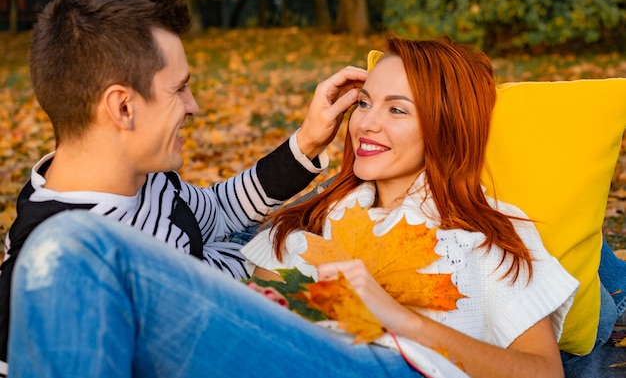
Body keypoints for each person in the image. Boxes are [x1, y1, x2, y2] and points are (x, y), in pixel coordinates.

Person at [8, 36, 580, 378]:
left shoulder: (484, 231)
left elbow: (541, 371)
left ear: (448, 127)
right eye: (363, 103)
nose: (367, 123)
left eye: (397, 110)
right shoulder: (314, 219)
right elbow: (236, 277)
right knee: (64, 249)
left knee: (66, 244)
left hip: (393, 368)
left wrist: (402, 321)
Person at [0, 0, 367, 369]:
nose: (194, 107)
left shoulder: (144, 178)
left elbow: (220, 213)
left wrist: (306, 143)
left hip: (254, 264)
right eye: (180, 88)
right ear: (123, 107)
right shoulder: (53, 278)